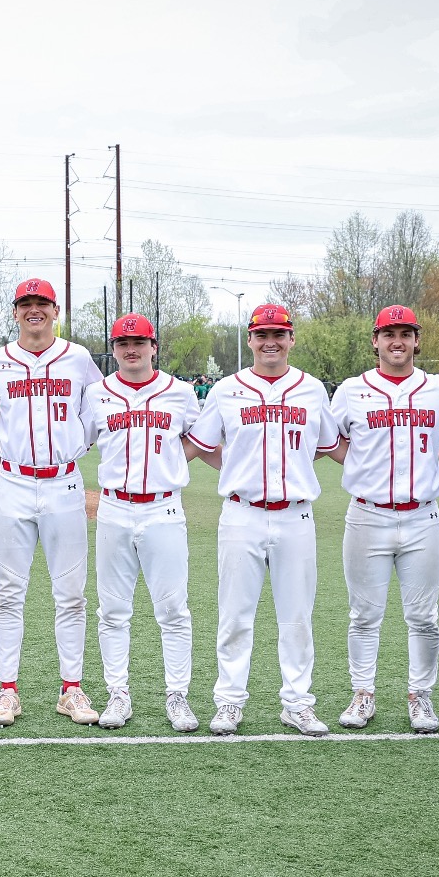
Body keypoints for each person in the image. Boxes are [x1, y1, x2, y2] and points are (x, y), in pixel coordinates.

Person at [187, 304, 343, 737]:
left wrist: (293, 471)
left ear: (291, 338)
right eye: (261, 334)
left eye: (279, 333)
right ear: (251, 339)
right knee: (235, 614)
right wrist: (237, 469)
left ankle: (297, 703)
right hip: (242, 514)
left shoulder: (311, 389)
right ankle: (229, 701)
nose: (270, 341)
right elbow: (201, 444)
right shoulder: (226, 389)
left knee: (297, 616)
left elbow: (326, 445)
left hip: (296, 515)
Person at [328, 306, 439, 733]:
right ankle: (363, 693)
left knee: (423, 616)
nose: (397, 341)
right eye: (389, 333)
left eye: (405, 334)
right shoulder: (352, 389)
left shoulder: (436, 388)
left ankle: (420, 697)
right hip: (367, 515)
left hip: (422, 518)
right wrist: (357, 469)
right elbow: (328, 440)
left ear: (415, 340)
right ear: (375, 340)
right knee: (363, 615)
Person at [0, 278, 103, 726]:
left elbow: (94, 414)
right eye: (26, 304)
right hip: (12, 482)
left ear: (56, 310)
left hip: (63, 484)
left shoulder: (78, 358)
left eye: (42, 304)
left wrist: (70, 447)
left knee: (70, 594)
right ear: (15, 312)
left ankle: (71, 688)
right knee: (9, 593)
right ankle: (7, 691)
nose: (35, 310)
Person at [82, 314, 201, 732]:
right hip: (114, 507)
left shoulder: (181, 393)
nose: (131, 349)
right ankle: (118, 694)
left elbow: (198, 440)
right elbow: (81, 441)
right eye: (122, 342)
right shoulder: (96, 393)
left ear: (154, 346)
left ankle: (177, 695)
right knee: (113, 610)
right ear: (113, 349)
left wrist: (167, 466)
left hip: (163, 508)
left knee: (172, 608)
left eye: (140, 342)